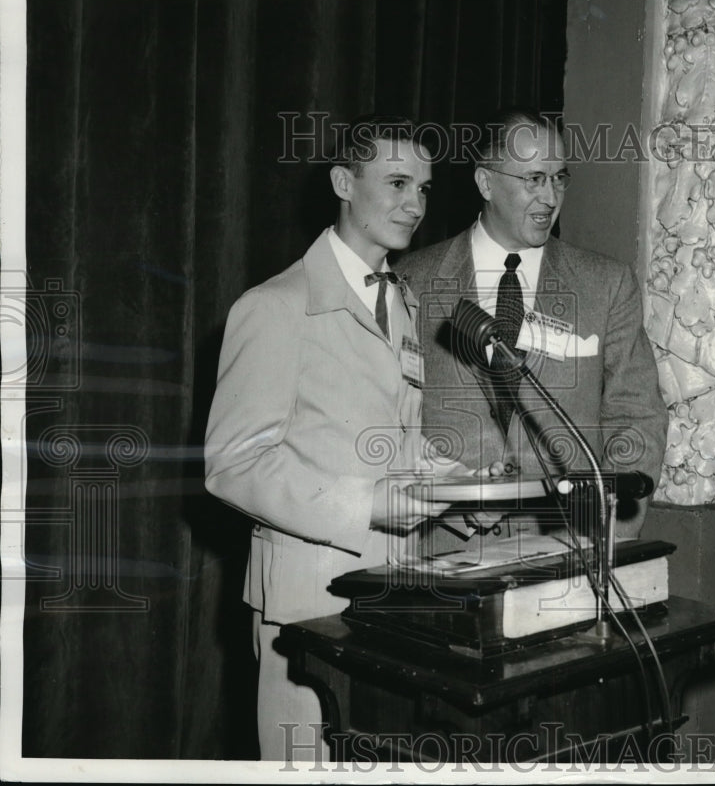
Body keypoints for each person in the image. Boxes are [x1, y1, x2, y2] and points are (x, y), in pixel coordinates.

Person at [204, 116, 467, 761]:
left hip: (395, 594)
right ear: (344, 182)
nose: (415, 204)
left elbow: (378, 433)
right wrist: (363, 505)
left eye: (425, 189)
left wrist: (447, 484)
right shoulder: (274, 305)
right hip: (307, 604)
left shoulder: (402, 305)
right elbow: (233, 464)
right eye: (398, 182)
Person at [398, 107, 669, 544]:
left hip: (571, 545)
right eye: (533, 179)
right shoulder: (413, 279)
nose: (550, 197)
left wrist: (607, 532)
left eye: (559, 178)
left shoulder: (607, 284)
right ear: (485, 182)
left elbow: (637, 415)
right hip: (442, 546)